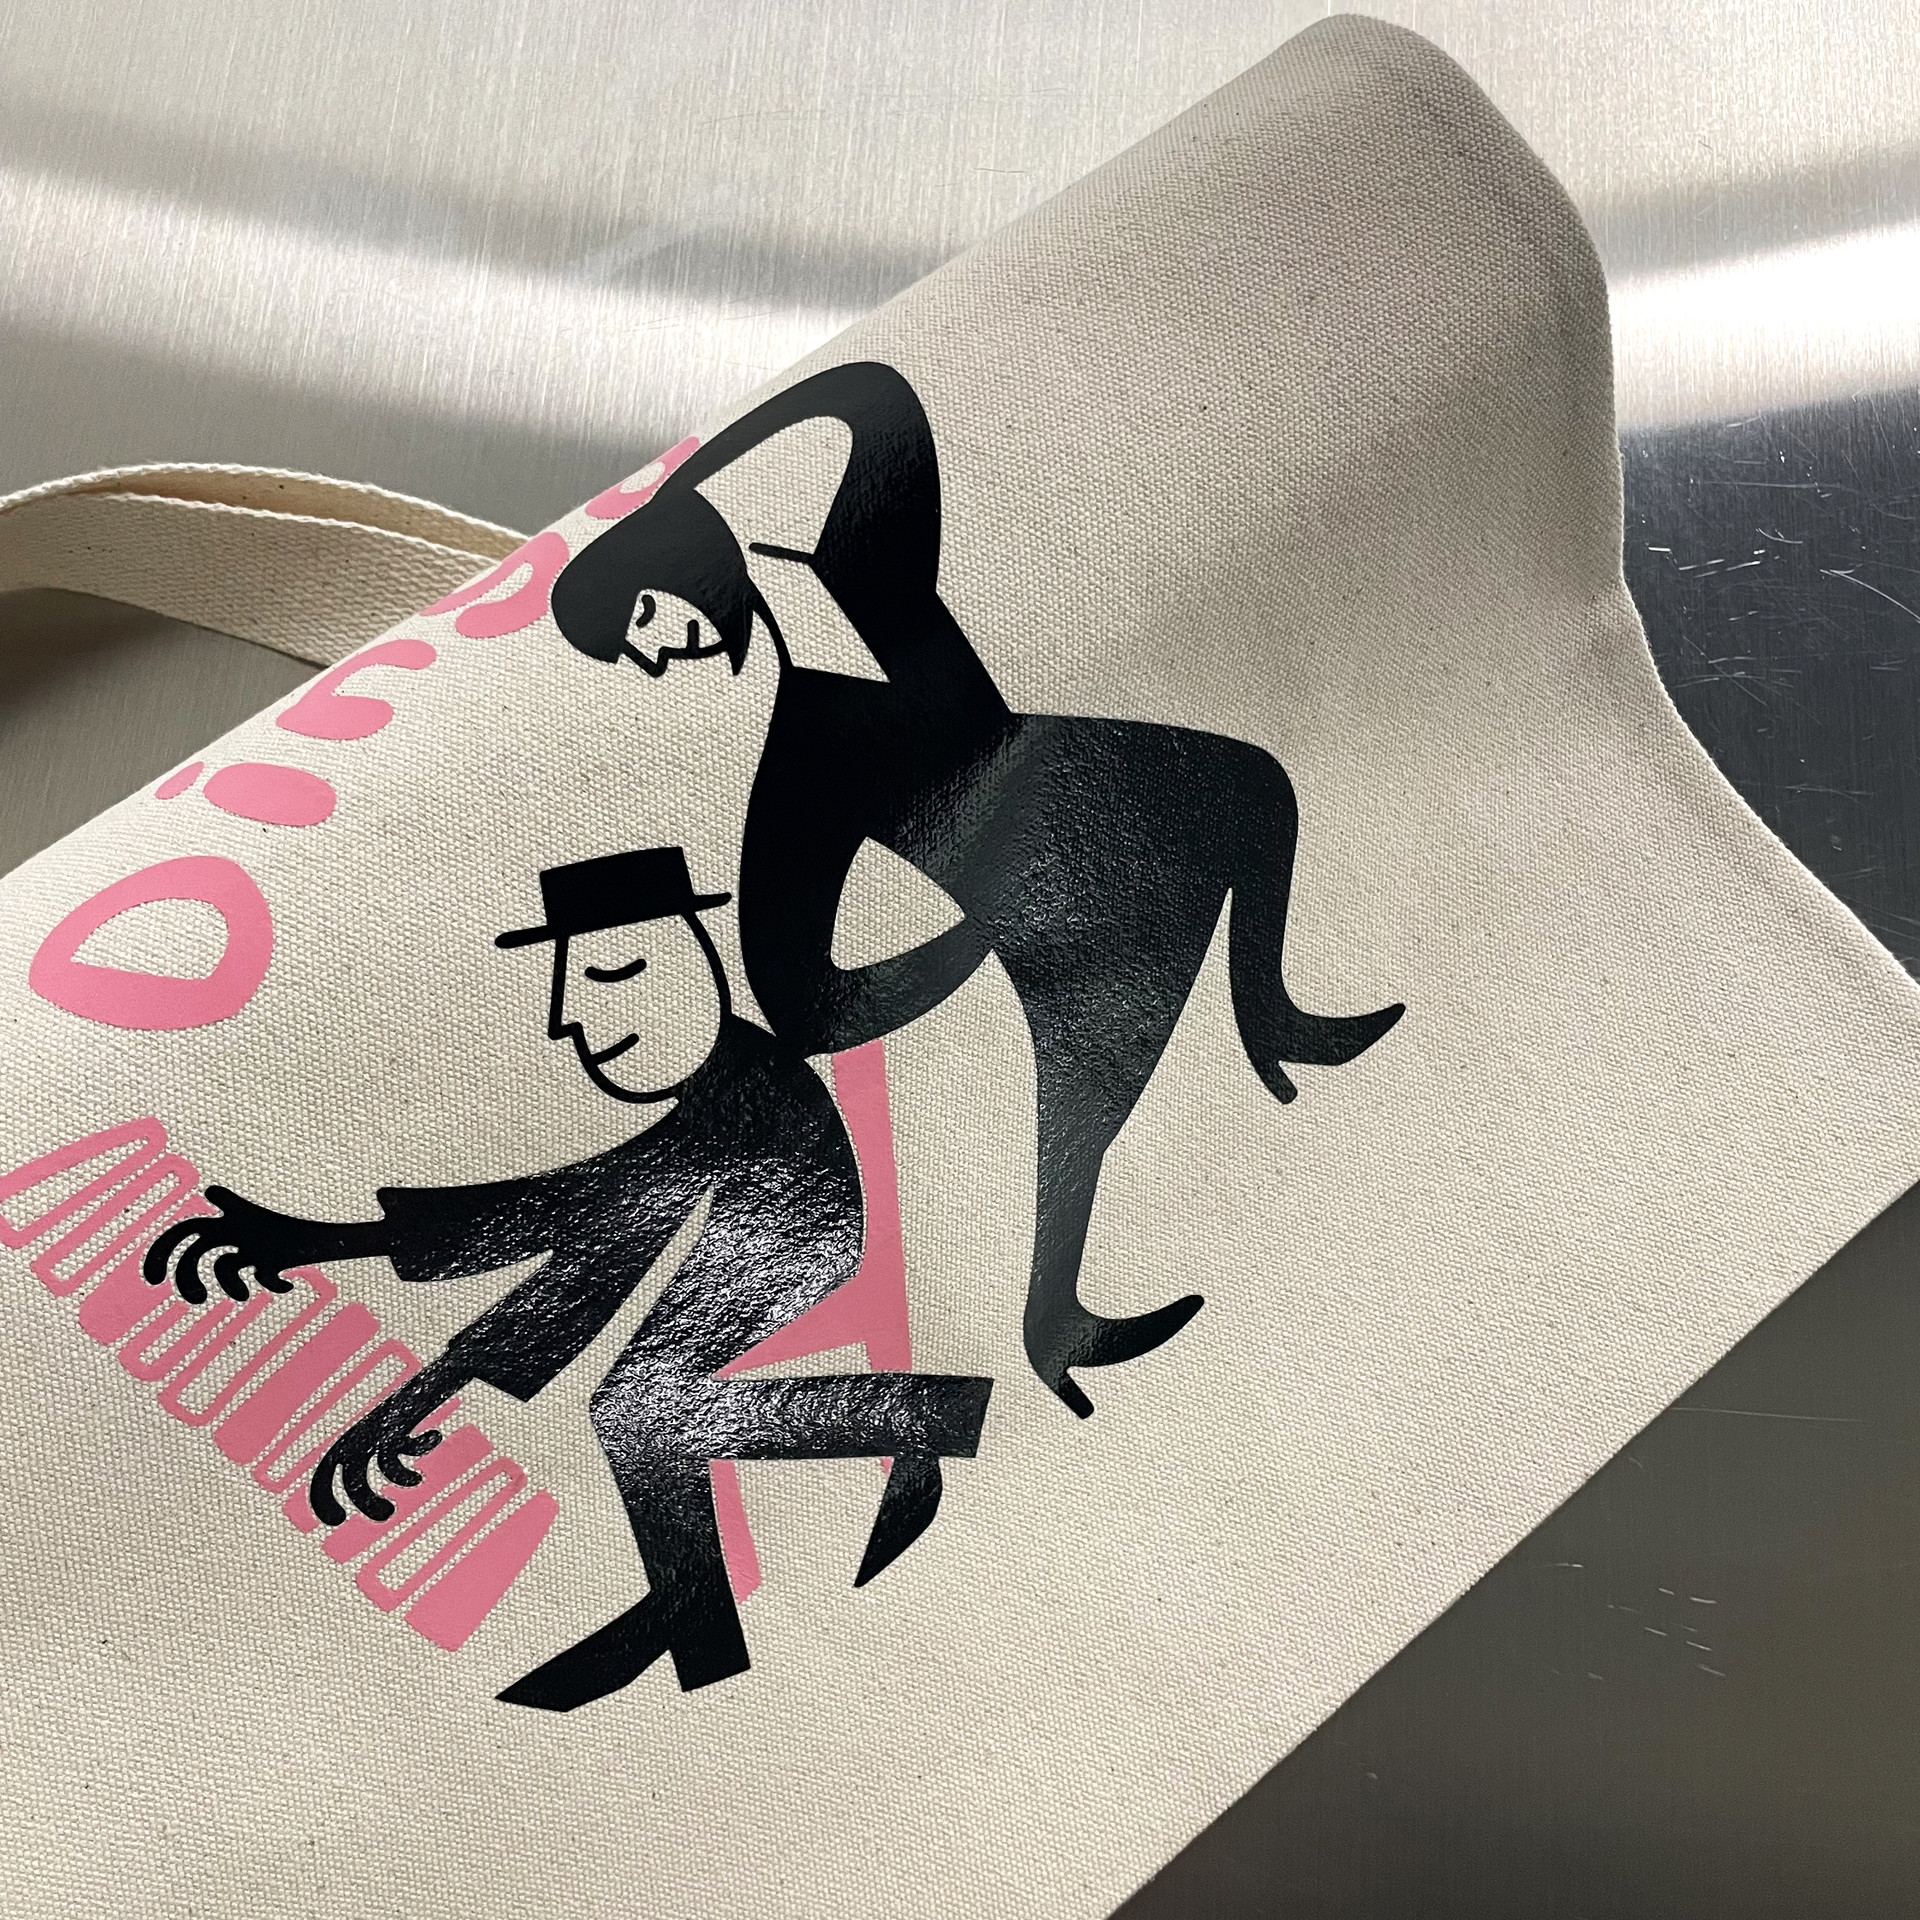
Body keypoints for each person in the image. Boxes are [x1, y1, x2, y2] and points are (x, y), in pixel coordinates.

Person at [549, 361, 1403, 1420]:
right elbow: (803, 1005)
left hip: (1077, 781)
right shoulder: (802, 761)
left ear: (673, 560)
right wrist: (960, 950)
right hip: (1032, 892)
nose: (654, 652)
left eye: (640, 615)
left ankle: (1270, 1017)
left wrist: (684, 490)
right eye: (632, 648)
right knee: (1082, 1089)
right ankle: (1056, 1318)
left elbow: (873, 402)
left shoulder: (863, 575)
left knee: (1249, 787)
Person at [144, 845, 992, 1711]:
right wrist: (408, 1380)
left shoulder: (743, 1095)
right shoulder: (709, 1097)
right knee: (638, 1406)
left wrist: (324, 1253)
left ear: (692, 958)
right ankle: (702, 1621)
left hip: (797, 1226)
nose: (568, 1021)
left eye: (611, 974)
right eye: (565, 988)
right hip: (764, 1221)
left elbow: (564, 1219)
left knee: (636, 1407)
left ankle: (906, 1425)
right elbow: (580, 1257)